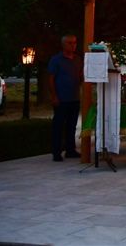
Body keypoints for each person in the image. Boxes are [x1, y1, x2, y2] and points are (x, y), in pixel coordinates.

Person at [48, 34, 82, 162]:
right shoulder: (56, 60)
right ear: (63, 44)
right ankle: (56, 152)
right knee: (58, 126)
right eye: (70, 43)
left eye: (74, 43)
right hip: (61, 99)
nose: (73, 45)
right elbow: (51, 79)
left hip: (74, 98)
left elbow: (80, 76)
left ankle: (70, 150)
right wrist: (54, 96)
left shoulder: (78, 59)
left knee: (72, 126)